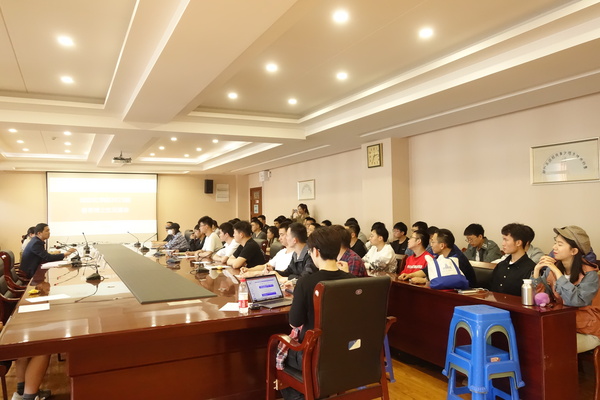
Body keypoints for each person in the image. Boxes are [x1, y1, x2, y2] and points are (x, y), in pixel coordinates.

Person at [280, 226, 354, 400]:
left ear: (315, 251)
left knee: (277, 350)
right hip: (345, 351)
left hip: (312, 354)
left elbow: (294, 322)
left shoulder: (306, 282)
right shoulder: (352, 280)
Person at [532, 226, 600, 353]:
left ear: (574, 251)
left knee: (552, 346)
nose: (554, 247)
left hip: (587, 330)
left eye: (560, 244)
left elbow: (575, 301)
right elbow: (542, 299)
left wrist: (558, 273)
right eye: (555, 243)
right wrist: (536, 272)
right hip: (562, 324)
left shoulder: (590, 275)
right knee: (533, 340)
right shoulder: (551, 270)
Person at [402, 229, 477, 287]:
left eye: (433, 242)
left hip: (467, 293)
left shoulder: (456, 258)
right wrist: (409, 275)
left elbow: (448, 280)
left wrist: (424, 280)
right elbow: (427, 270)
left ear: (442, 245)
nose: (431, 245)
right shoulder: (440, 256)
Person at [489, 223, 537, 296]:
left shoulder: (531, 268)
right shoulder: (501, 265)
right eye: (503, 239)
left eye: (506, 240)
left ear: (518, 243)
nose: (503, 244)